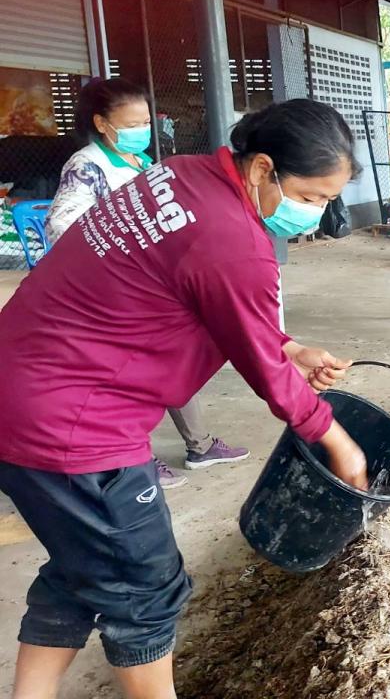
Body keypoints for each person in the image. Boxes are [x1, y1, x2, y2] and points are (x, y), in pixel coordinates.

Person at [0, 99, 368, 698]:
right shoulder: (234, 240)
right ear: (262, 169)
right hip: (73, 423)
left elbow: (194, 291)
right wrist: (339, 443)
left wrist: (286, 343)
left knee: (83, 566)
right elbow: (270, 380)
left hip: (21, 384)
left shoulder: (183, 174)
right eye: (314, 197)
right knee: (146, 584)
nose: (319, 215)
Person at [44, 78, 250, 488]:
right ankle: (140, 458)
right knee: (134, 373)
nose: (143, 129)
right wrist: (121, 252)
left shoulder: (139, 163)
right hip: (114, 292)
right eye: (133, 122)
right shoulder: (87, 166)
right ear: (103, 124)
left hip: (157, 287)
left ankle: (200, 445)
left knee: (174, 359)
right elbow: (60, 224)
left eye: (146, 121)